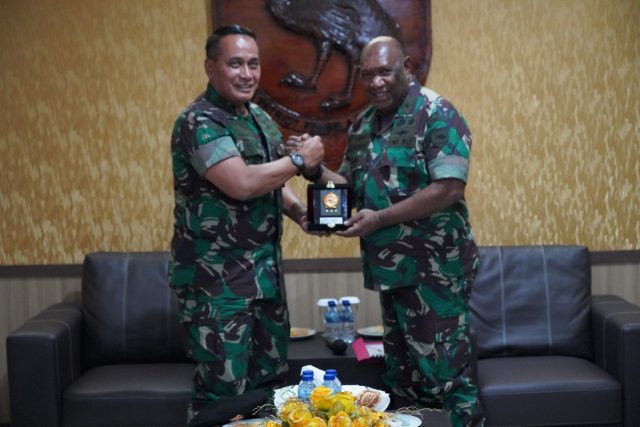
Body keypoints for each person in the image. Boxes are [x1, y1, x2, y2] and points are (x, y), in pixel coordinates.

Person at [293, 36, 483, 427]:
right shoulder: (364, 124)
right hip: (390, 274)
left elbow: (448, 188)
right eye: (368, 74)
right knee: (403, 382)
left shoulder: (436, 112)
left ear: (407, 67)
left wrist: (379, 219)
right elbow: (346, 187)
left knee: (446, 382)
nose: (376, 82)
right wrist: (314, 173)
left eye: (385, 72)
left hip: (434, 274)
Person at [169, 24, 324, 424]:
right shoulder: (200, 120)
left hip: (265, 279)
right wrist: (298, 161)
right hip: (218, 286)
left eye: (253, 64)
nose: (246, 73)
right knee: (222, 395)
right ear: (211, 68)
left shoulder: (258, 117)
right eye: (235, 63)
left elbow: (270, 182)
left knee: (269, 390)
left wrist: (297, 211)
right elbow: (240, 183)